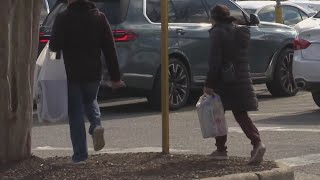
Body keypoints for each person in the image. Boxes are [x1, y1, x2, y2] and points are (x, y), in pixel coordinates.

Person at [49, 0, 125, 163]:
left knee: (75, 113)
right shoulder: (100, 18)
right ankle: (96, 124)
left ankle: (80, 156)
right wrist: (115, 77)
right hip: (93, 73)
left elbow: (54, 45)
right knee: (91, 100)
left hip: (71, 73)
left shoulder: (63, 18)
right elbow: (109, 49)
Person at [204, 5, 266, 164]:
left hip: (224, 81)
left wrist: (209, 83)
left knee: (218, 115)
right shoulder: (240, 32)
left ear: (214, 18)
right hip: (241, 79)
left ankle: (221, 150)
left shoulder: (217, 33)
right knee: (240, 114)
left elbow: (215, 62)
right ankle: (257, 143)